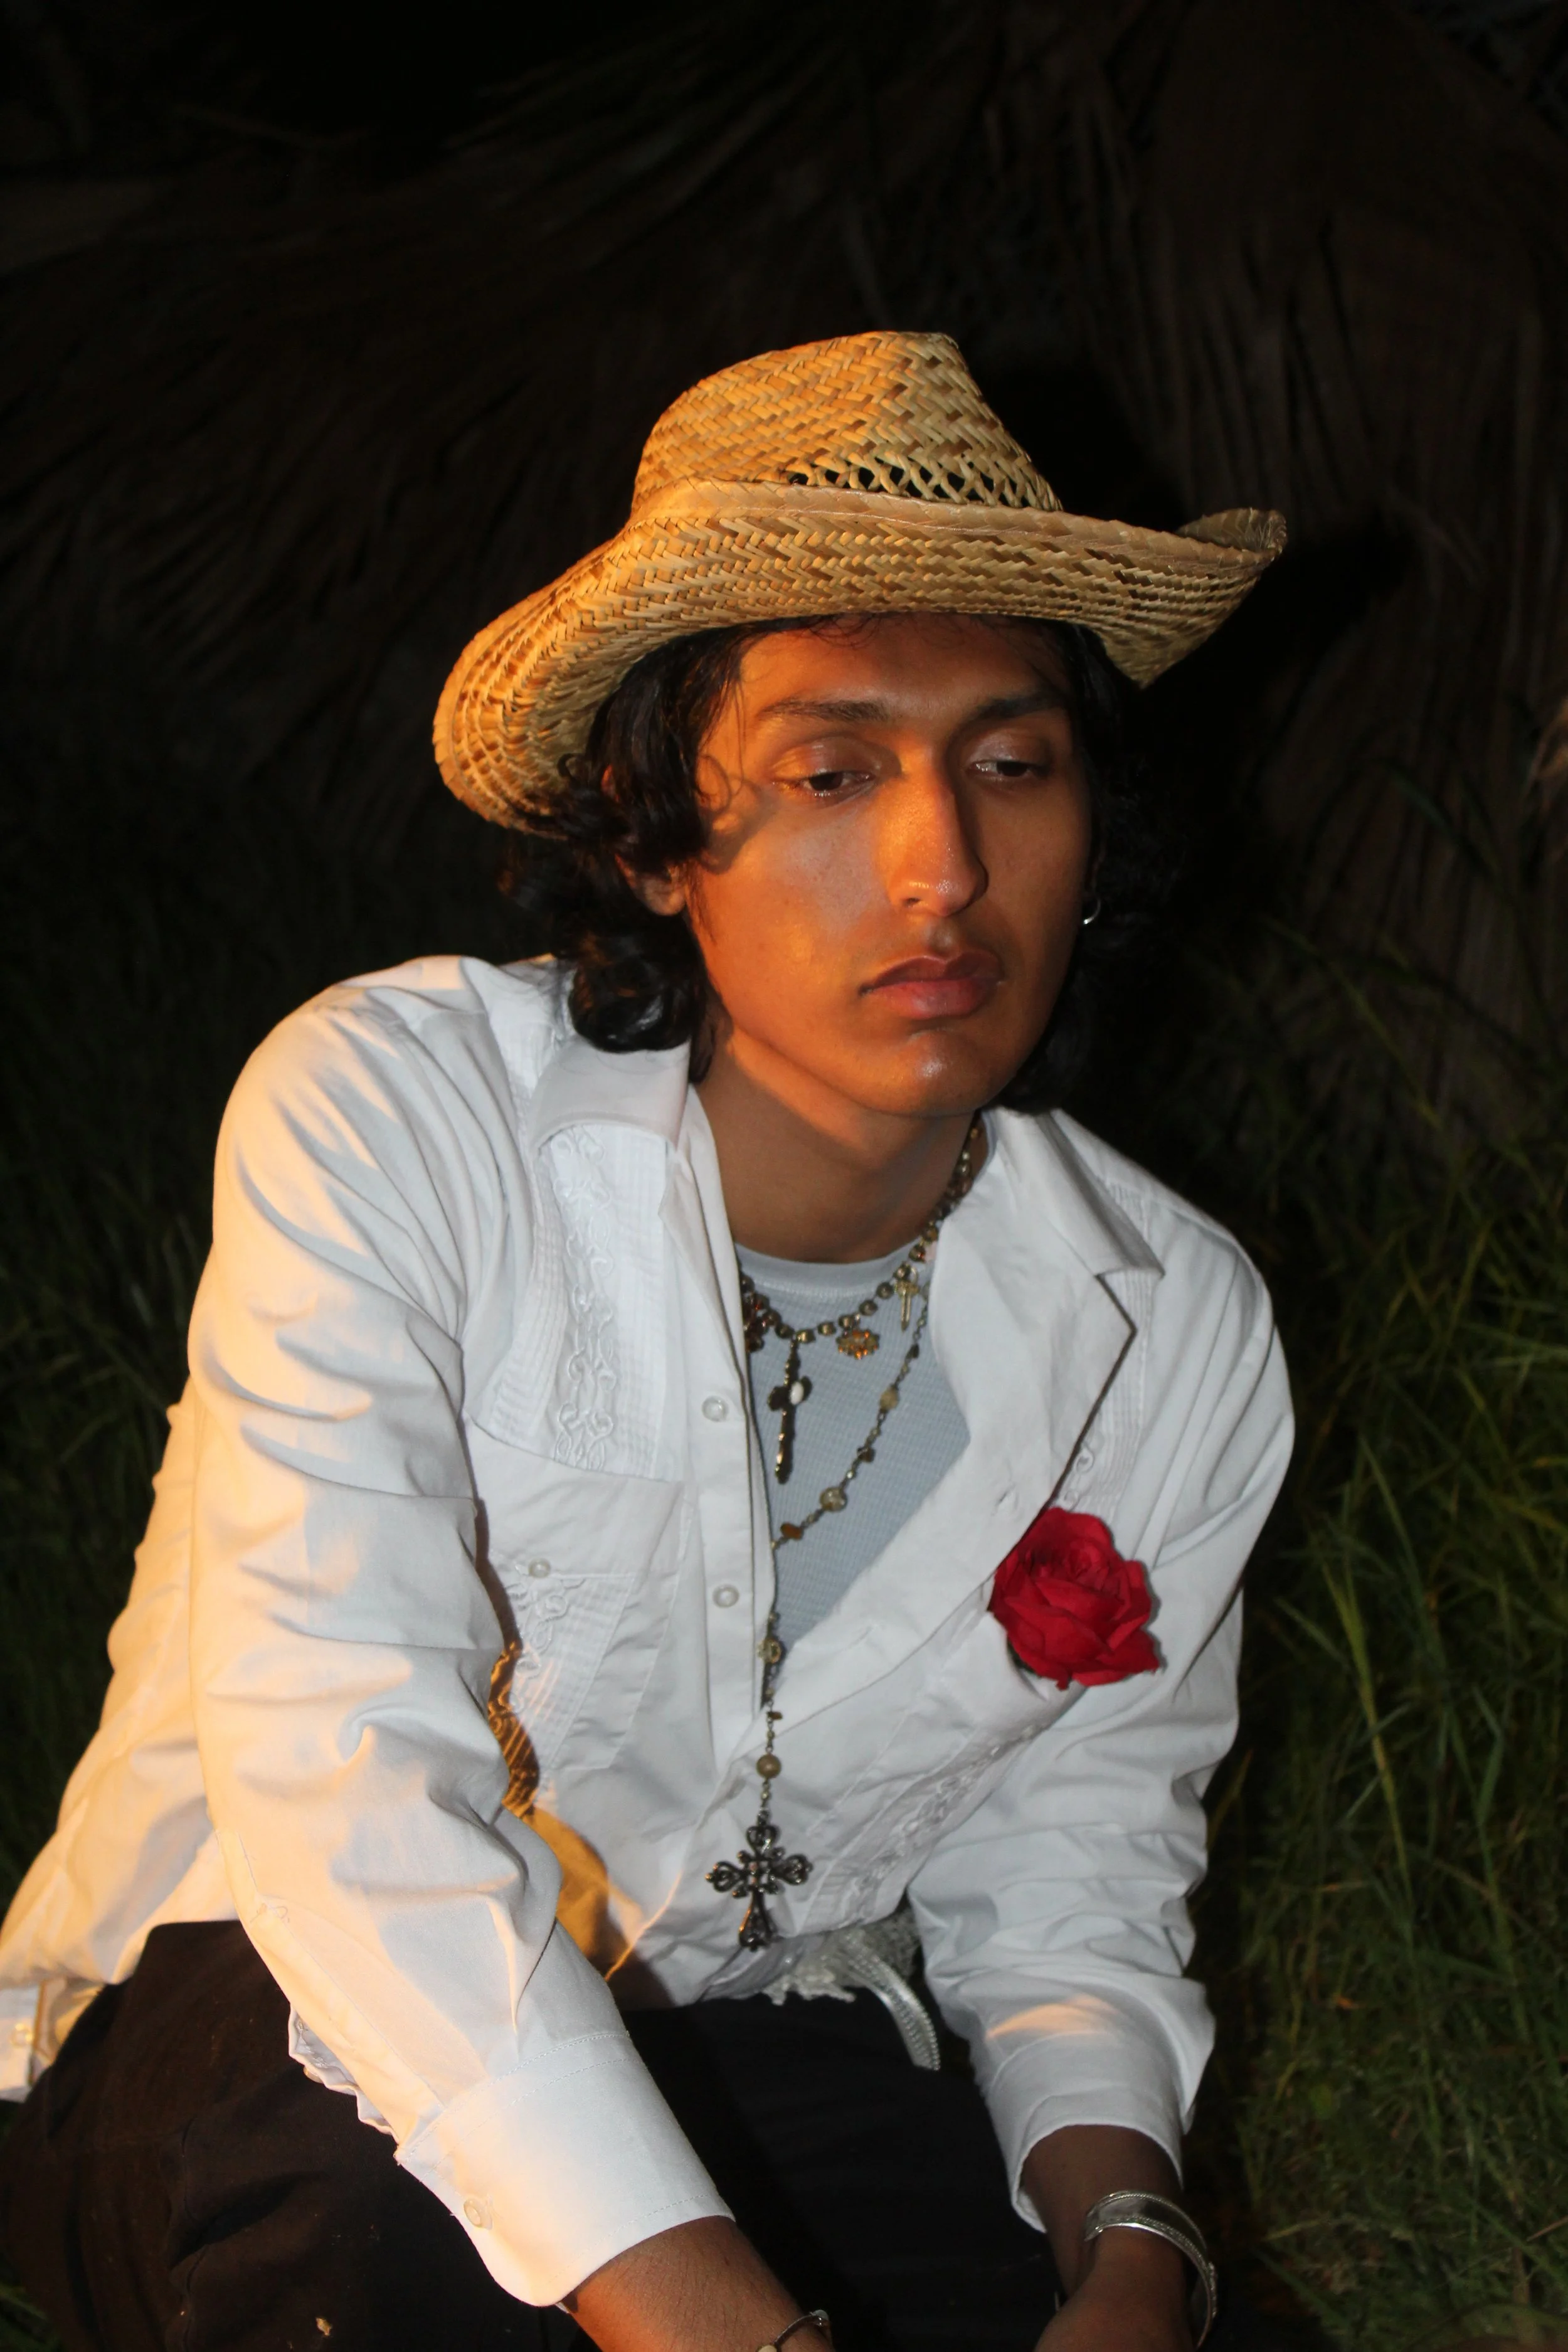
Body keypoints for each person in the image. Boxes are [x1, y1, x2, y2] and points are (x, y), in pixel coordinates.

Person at [0, 331, 1293, 2352]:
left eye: (1011, 761)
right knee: (395, 2267)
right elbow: (348, 1771)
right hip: (260, 2008)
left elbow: (1079, 1852)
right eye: (830, 770)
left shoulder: (1171, 1321)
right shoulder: (400, 1114)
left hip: (760, 2033)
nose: (941, 862)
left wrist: (1129, 2232)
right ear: (650, 837)